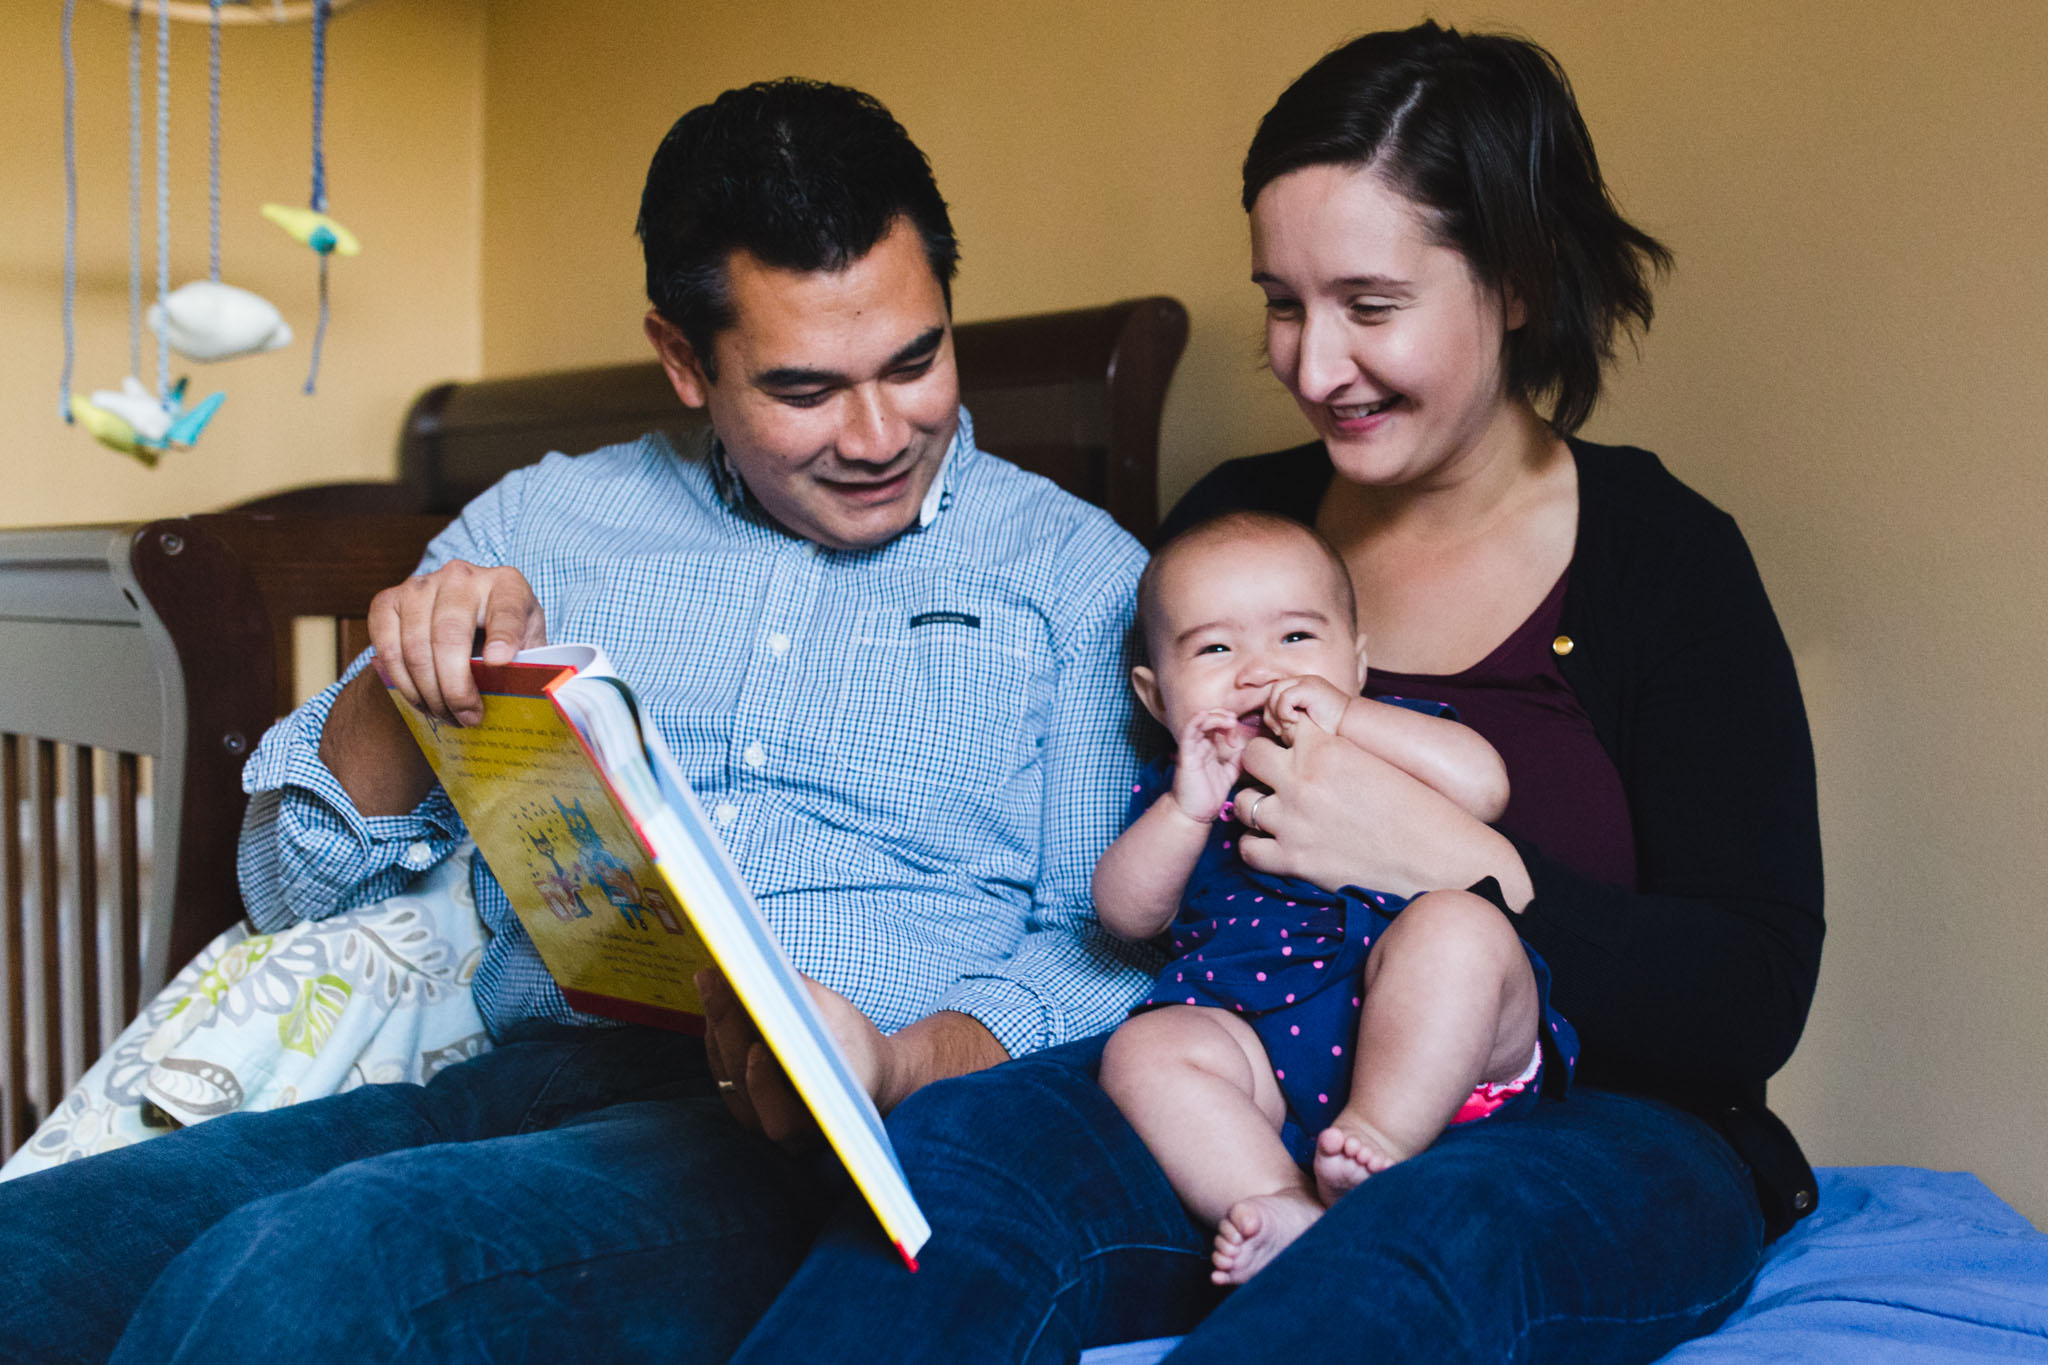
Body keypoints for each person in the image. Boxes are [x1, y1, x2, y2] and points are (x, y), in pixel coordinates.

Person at [0, 79, 1156, 1364]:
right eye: (805, 389)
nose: (883, 434)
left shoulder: (1081, 579)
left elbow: (1109, 953)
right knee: (29, 1263)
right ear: (681, 359)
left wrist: (899, 1062)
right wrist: (405, 679)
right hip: (508, 1084)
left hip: (800, 1146)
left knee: (304, 1284)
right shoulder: (537, 526)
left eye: (916, 360)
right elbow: (284, 889)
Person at [735, 22, 1824, 1364]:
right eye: (1285, 303)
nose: (1312, 368)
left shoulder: (1661, 557)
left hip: (1587, 1121)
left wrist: (1464, 861)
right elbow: (1128, 893)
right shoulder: (1232, 526)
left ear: (1520, 280)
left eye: (1369, 306)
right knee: (962, 1167)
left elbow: (1750, 995)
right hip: (1247, 1082)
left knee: (1412, 1253)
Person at [1093, 510, 1578, 1285]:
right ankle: (1283, 1200)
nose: (1259, 671)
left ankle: (1376, 1134)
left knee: (1456, 926)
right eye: (1216, 648)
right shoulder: (1187, 791)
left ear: (1356, 659)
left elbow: (1485, 786)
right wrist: (1186, 808)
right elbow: (1125, 913)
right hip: (1269, 1060)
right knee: (1143, 1051)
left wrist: (1350, 718)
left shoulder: (1383, 731)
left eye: (1295, 639)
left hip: (1449, 1040)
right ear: (1156, 696)